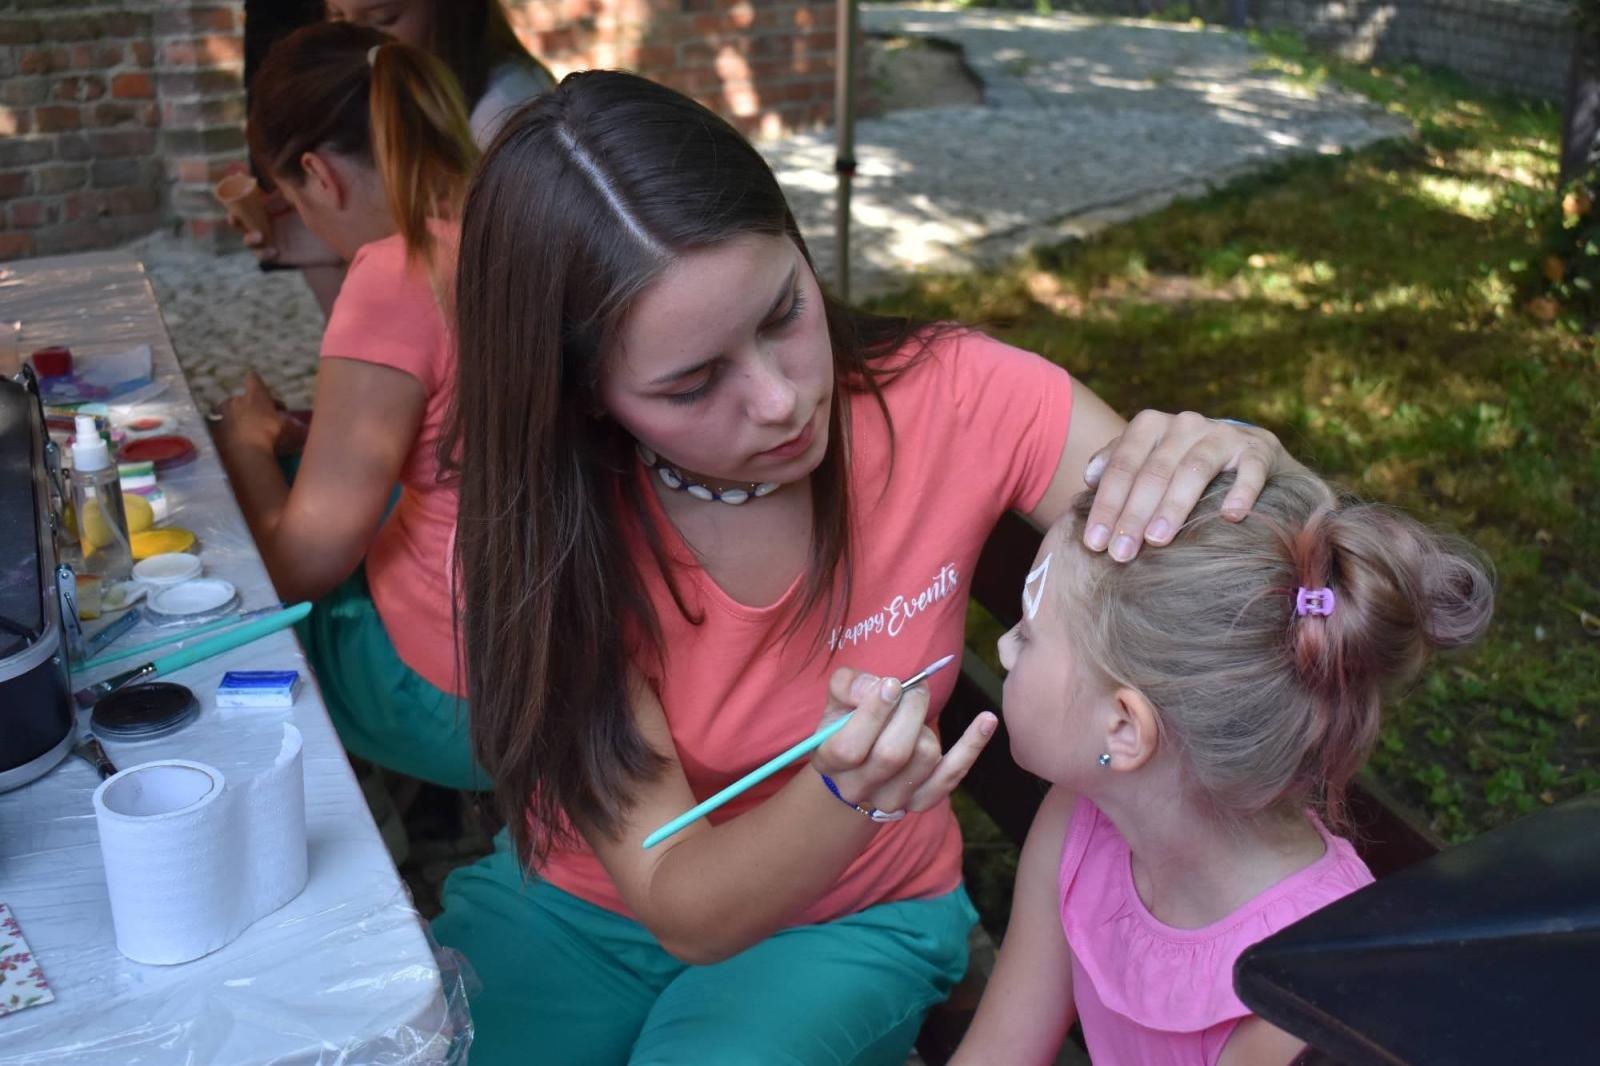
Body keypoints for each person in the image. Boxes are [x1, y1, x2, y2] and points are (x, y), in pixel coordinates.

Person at [431, 69, 1309, 1065]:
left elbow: (1222, 560)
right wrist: (842, 792)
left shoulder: (958, 395)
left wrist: (1239, 461)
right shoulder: (542, 533)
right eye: (692, 383)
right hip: (576, 908)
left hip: (857, 914)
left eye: (782, 314)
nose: (779, 400)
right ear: (584, 393)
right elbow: (683, 904)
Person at [952, 474, 1493, 1065]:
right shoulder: (1082, 815)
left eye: (1028, 634)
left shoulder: (1295, 1003)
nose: (1004, 647)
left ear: (1125, 728)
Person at [212, 22, 485, 790]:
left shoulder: (398, 276)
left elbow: (295, 568)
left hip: (461, 697)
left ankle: (354, 813)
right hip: (583, 653)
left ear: (318, 175)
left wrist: (243, 445)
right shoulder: (516, 217)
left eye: (294, 200)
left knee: (227, 601)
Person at [246, 0, 555, 312]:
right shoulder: (380, 102)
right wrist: (328, 230)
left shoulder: (506, 111)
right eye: (337, 16)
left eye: (384, 18)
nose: (354, 35)